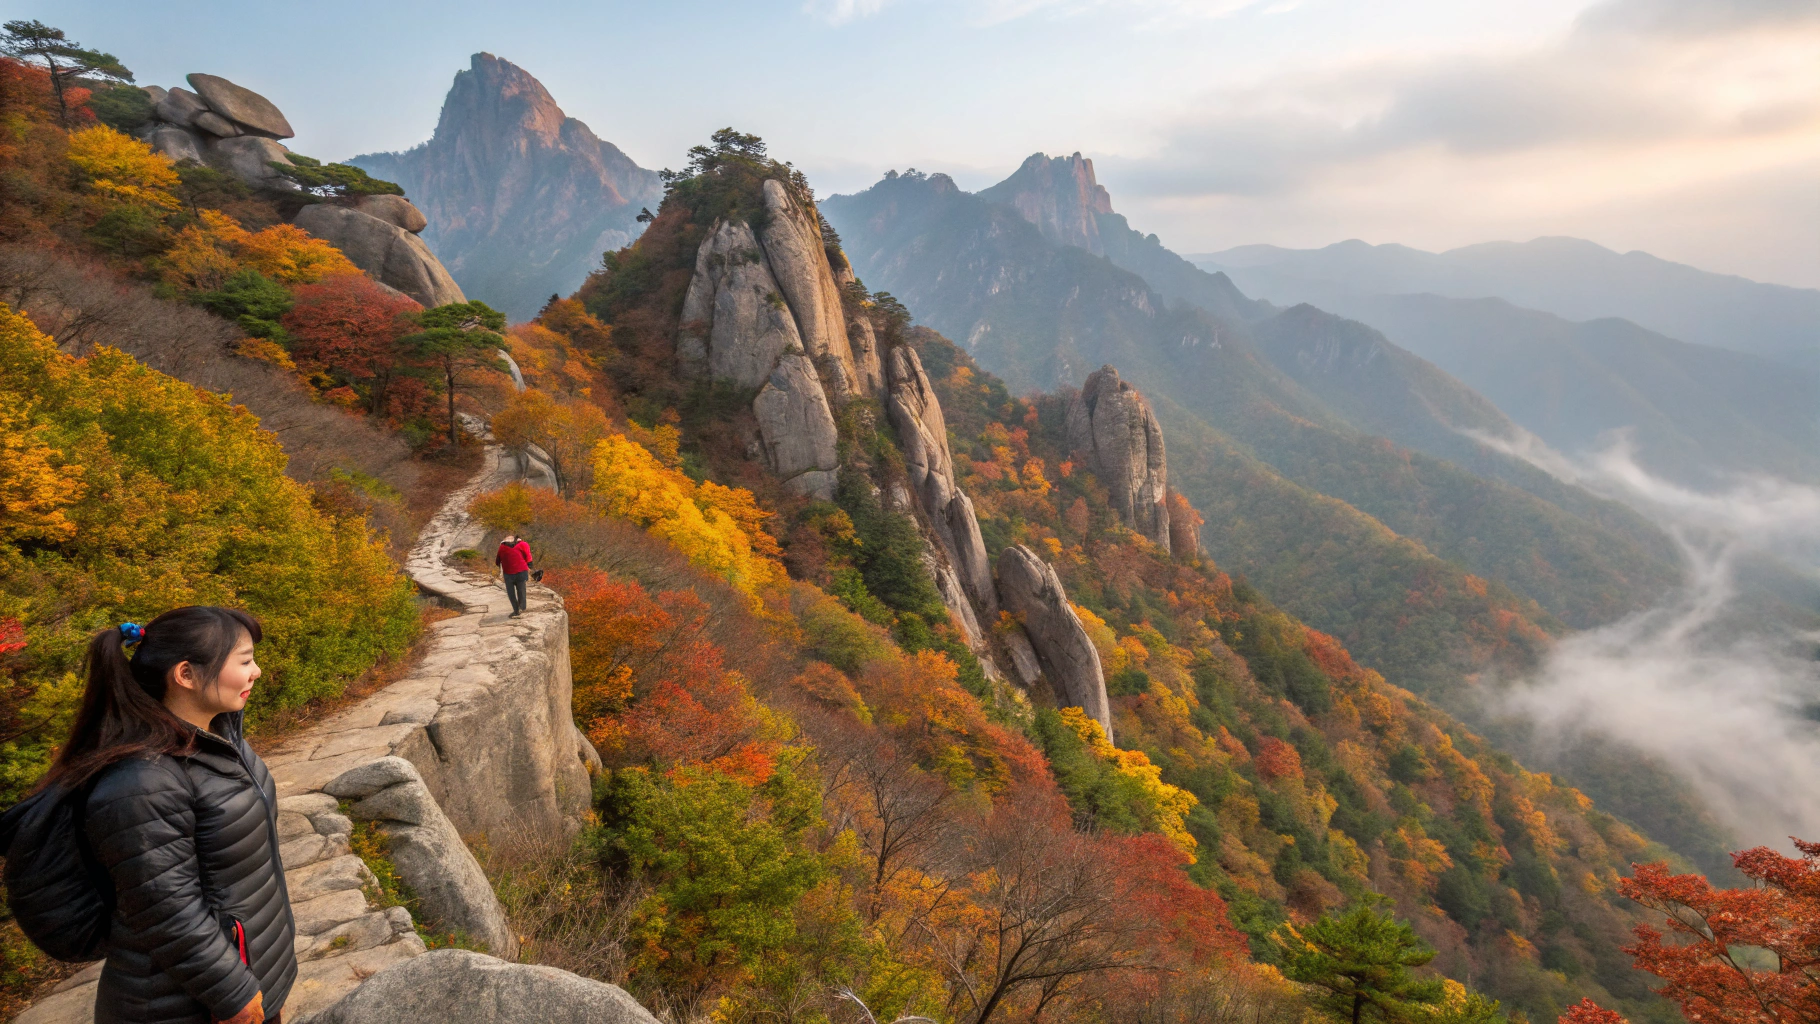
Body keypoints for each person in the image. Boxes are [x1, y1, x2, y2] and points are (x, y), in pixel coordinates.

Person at [39, 606, 296, 1024]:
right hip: (182, 1003)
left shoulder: (217, 740)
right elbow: (164, 907)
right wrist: (232, 992)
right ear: (186, 675)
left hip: (242, 976)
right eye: (245, 661)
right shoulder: (143, 781)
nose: (258, 672)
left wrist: (265, 974)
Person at [496, 532, 534, 617]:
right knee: (521, 590)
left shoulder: (502, 547)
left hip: (508, 573)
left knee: (511, 593)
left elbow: (497, 560)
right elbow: (528, 556)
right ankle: (522, 607)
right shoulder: (523, 544)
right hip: (521, 571)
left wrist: (500, 565)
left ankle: (516, 610)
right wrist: (530, 565)